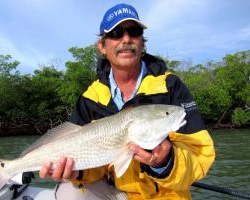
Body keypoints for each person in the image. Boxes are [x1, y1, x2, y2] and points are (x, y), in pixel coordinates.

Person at [39, 3, 215, 200]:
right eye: (115, 33)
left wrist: (165, 162)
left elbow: (201, 156)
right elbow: (95, 166)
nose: (126, 39)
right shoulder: (90, 98)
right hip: (116, 192)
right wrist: (77, 173)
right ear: (102, 46)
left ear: (142, 42)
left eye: (134, 31)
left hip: (166, 195)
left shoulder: (171, 86)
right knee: (69, 192)